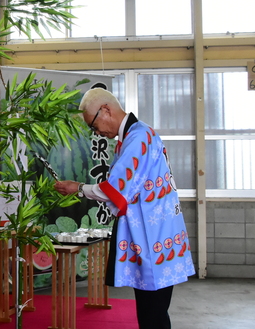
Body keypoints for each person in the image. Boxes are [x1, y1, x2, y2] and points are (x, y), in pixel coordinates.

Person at [54, 87, 195, 329]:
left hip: (153, 240)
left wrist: (77, 188)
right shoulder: (139, 135)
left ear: (106, 110)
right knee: (155, 312)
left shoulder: (138, 138)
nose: (96, 132)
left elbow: (116, 190)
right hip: (158, 234)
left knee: (153, 315)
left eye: (94, 125)